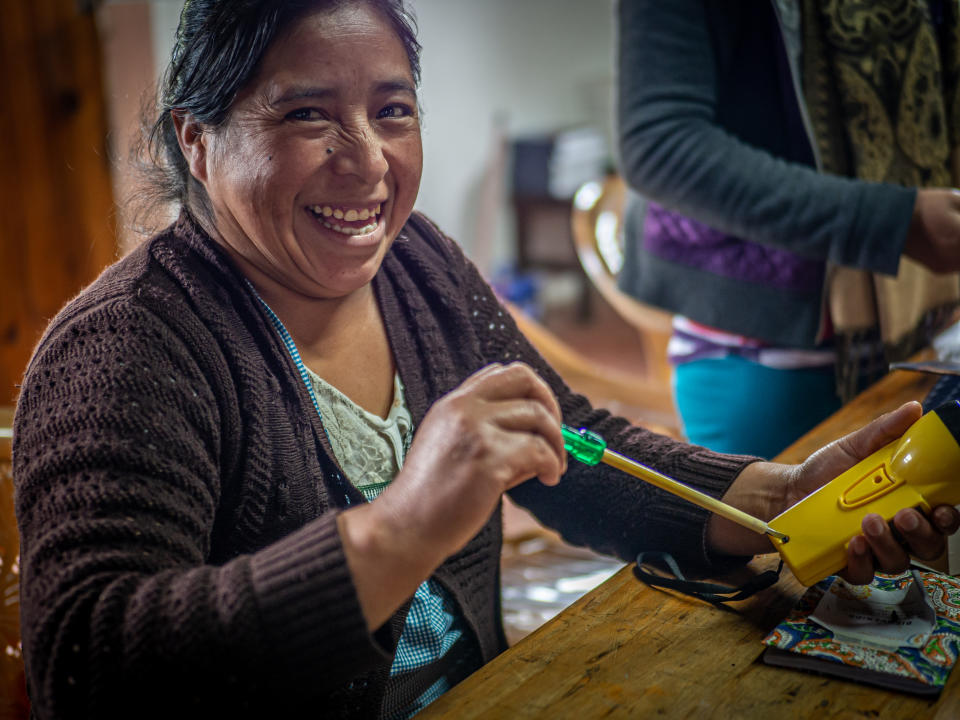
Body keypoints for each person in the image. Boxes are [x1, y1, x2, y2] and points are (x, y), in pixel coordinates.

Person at [12, 1, 959, 718]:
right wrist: (399, 529)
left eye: (392, 110)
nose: (369, 160)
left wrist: (761, 498)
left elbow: (569, 445)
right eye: (307, 116)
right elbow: (87, 667)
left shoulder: (417, 263)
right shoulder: (126, 352)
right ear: (197, 140)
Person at [617, 0, 960, 458]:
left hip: (929, 326)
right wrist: (898, 221)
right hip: (770, 354)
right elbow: (660, 145)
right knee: (786, 526)